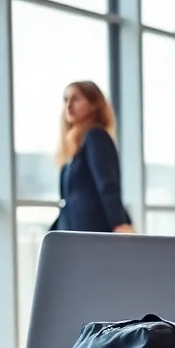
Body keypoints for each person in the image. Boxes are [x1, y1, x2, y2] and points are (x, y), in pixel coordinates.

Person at [53, 81, 134, 234]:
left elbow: (107, 184)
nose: (69, 105)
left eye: (76, 99)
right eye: (66, 99)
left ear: (93, 104)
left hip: (92, 230)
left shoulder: (96, 137)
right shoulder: (74, 145)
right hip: (73, 229)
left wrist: (119, 223)